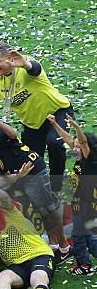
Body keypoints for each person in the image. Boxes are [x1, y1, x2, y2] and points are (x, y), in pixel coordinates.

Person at [0, 100, 72, 266]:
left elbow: (13, 134)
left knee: (47, 209)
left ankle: (64, 247)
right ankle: (54, 245)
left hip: (31, 170)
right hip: (18, 174)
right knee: (42, 210)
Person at [0, 42, 72, 192]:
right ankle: (37, 188)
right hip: (32, 123)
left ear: (9, 58)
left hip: (57, 111)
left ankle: (56, 187)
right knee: (29, 159)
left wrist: (25, 64)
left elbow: (35, 69)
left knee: (54, 143)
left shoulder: (24, 65)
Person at [48, 113, 97, 275]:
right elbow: (69, 139)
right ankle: (84, 264)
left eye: (78, 147)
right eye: (74, 146)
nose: (74, 148)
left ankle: (84, 265)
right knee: (83, 236)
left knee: (82, 236)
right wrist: (55, 124)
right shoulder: (79, 158)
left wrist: (76, 127)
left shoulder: (90, 161)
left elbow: (81, 141)